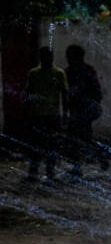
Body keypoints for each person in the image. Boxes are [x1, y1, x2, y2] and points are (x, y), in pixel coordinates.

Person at [24, 46, 68, 182]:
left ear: (52, 57)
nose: (46, 58)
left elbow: (65, 95)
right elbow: (28, 94)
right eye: (44, 56)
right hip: (36, 115)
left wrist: (65, 114)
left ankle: (49, 173)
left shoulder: (59, 73)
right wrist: (27, 113)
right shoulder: (33, 73)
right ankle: (34, 172)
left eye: (48, 55)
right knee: (35, 146)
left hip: (52, 115)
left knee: (51, 146)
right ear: (40, 57)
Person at [64, 44, 107, 176]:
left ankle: (84, 165)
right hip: (79, 110)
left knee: (79, 138)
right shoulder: (72, 71)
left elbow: (96, 92)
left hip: (84, 111)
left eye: (70, 56)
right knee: (81, 138)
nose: (68, 58)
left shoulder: (83, 71)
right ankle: (98, 160)